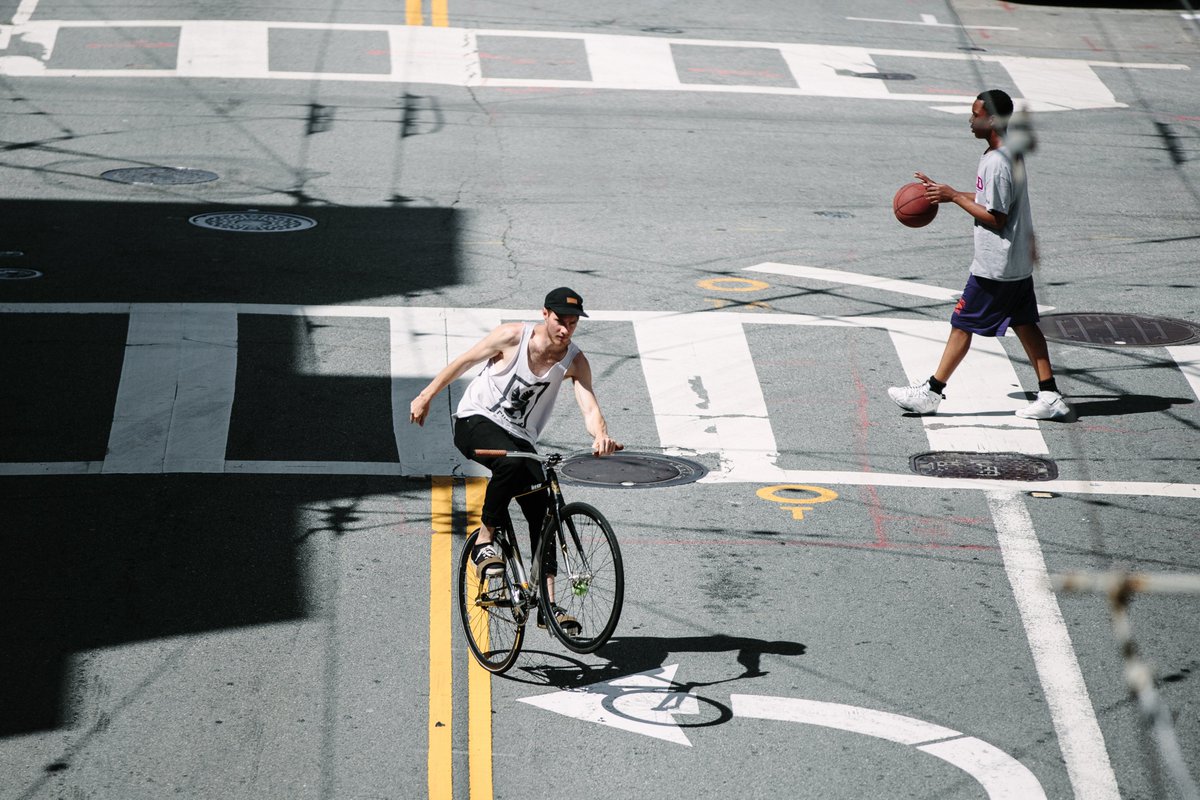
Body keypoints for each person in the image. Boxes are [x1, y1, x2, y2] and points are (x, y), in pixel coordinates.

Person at [409, 287, 621, 633]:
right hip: (476, 422)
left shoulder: (575, 361)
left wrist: (600, 435)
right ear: (544, 314)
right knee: (510, 464)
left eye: (572, 323)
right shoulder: (512, 337)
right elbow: (464, 361)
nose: (565, 330)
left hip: (520, 438)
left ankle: (548, 606)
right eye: (559, 321)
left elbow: (589, 406)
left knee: (545, 512)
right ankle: (484, 541)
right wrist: (426, 395)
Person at [888, 89, 1071, 421]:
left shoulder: (998, 163)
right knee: (1026, 325)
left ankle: (931, 392)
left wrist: (955, 198)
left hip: (995, 267)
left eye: (975, 114)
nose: (970, 120)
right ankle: (1050, 395)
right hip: (1014, 263)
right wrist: (947, 193)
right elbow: (992, 199)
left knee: (961, 324)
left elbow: (996, 217)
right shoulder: (1003, 154)